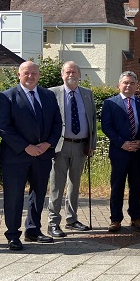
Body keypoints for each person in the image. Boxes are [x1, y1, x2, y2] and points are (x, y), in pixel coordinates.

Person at [0, 60, 62, 250]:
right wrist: (26, 147)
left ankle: (33, 230)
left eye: (34, 73)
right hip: (15, 157)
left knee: (38, 194)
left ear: (38, 75)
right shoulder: (6, 97)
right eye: (26, 73)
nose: (30, 76)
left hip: (42, 155)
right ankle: (13, 235)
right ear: (19, 75)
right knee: (14, 196)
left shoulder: (48, 95)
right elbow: (3, 127)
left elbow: (58, 122)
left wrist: (48, 143)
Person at [46, 61, 97, 238]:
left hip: (81, 145)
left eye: (75, 71)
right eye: (68, 71)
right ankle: (53, 223)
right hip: (61, 146)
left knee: (75, 184)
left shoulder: (87, 94)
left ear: (79, 74)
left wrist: (92, 144)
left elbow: (92, 122)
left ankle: (72, 218)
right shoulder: (52, 93)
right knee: (57, 186)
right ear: (62, 74)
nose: (71, 74)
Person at [100, 71, 140, 233]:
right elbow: (107, 127)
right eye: (125, 83)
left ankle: (135, 217)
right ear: (119, 85)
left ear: (137, 86)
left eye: (132, 83)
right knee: (117, 186)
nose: (128, 85)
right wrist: (122, 143)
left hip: (138, 151)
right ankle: (115, 219)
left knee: (135, 185)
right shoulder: (110, 103)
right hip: (119, 151)